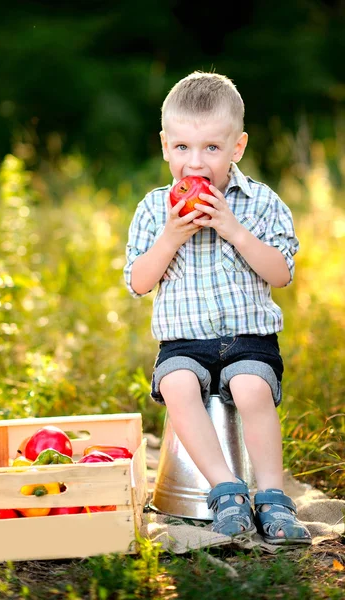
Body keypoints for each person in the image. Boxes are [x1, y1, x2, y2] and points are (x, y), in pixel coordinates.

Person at [124, 71, 312, 545]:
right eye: (183, 148)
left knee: (251, 389)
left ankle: (271, 495)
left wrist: (234, 230)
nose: (195, 163)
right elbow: (139, 282)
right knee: (178, 384)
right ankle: (224, 488)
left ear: (238, 148)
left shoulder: (262, 204)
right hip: (183, 342)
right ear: (165, 146)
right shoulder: (152, 211)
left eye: (211, 147)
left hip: (249, 339)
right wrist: (169, 238)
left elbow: (281, 273)